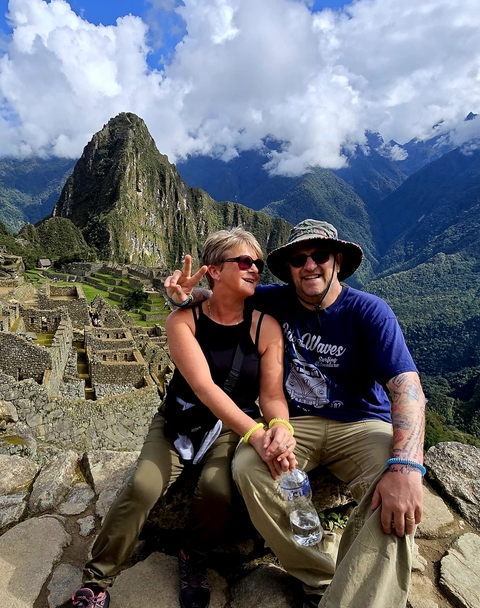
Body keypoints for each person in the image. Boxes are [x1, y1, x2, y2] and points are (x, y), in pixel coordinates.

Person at [165, 219, 426, 608]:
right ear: (288, 269)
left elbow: (407, 390)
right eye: (298, 259)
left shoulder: (370, 312)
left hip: (361, 424)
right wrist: (182, 298)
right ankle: (320, 577)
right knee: (249, 468)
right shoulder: (273, 300)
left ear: (337, 260)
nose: (309, 266)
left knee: (394, 495)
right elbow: (222, 294)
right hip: (296, 422)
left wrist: (407, 466)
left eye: (319, 255)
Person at [72, 228, 296, 608]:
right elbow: (205, 388)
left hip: (231, 426)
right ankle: (96, 580)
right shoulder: (183, 321)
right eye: (244, 261)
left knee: (217, 490)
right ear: (214, 271)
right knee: (142, 486)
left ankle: (193, 555)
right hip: (179, 419)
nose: (255, 268)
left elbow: (272, 395)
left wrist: (280, 428)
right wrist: (258, 435)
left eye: (257, 263)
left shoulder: (265, 326)